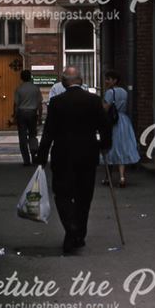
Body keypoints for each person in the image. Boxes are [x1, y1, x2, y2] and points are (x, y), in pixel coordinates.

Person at [37, 65, 112, 254]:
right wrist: (104, 144)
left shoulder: (56, 102)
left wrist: (41, 156)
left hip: (63, 155)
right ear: (80, 80)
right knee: (84, 196)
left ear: (63, 82)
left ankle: (71, 228)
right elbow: (105, 126)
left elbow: (49, 132)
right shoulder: (93, 101)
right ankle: (79, 234)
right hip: (87, 154)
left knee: (62, 195)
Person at [102, 70, 140, 188]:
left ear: (114, 80)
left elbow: (105, 109)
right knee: (122, 147)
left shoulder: (109, 93)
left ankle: (108, 177)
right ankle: (122, 177)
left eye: (108, 79)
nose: (106, 81)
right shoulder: (124, 92)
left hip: (113, 122)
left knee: (110, 147)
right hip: (124, 121)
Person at [12, 70, 42, 166]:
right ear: (30, 77)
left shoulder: (19, 89)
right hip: (32, 113)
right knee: (33, 136)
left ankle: (26, 160)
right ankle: (34, 156)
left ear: (21, 77)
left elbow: (16, 104)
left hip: (22, 113)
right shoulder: (36, 88)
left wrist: (15, 116)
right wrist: (40, 116)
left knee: (22, 137)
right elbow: (39, 104)